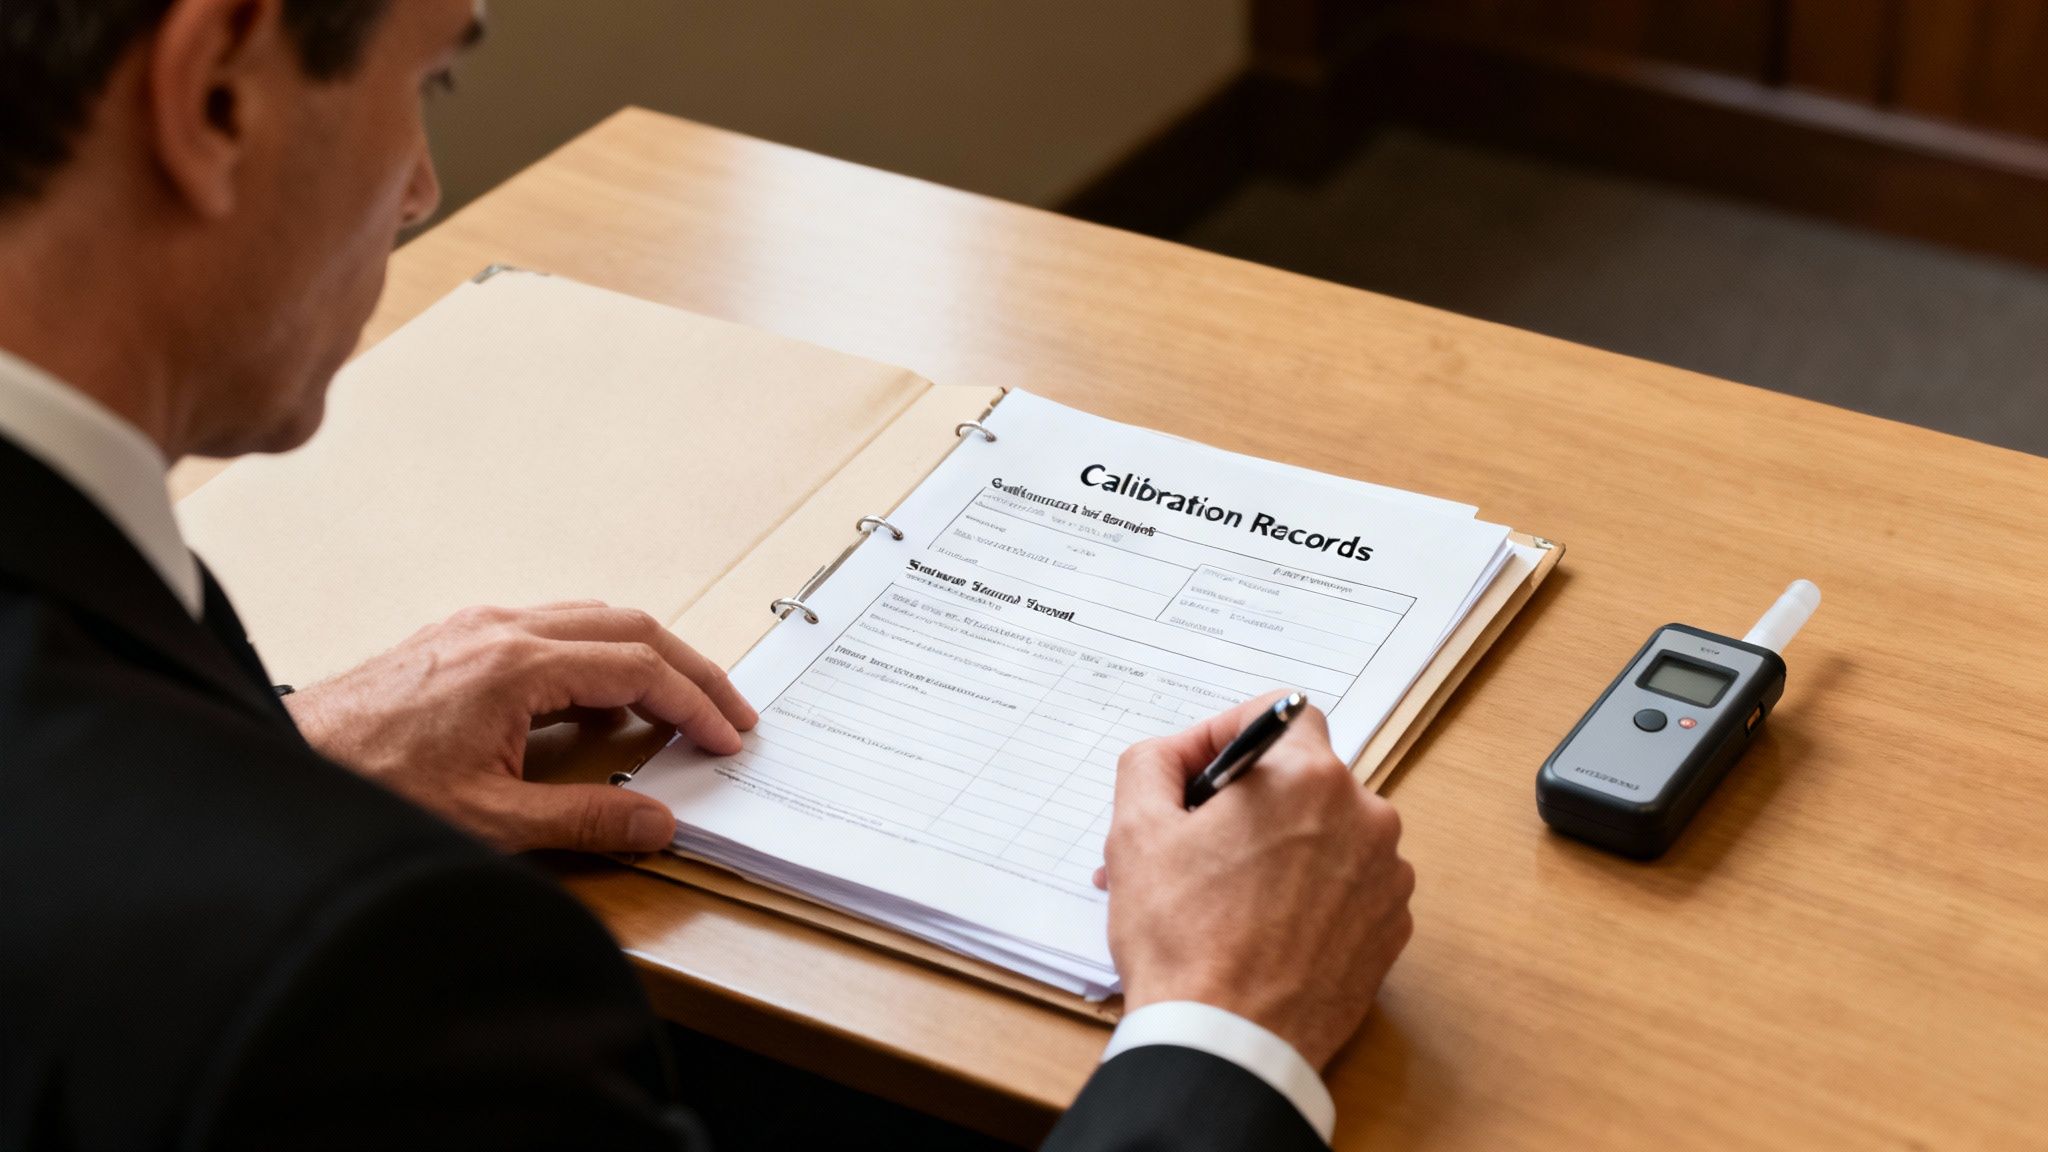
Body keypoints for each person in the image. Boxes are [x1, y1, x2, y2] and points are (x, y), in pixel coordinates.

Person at [0, 1, 1416, 1148]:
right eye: (426, 79)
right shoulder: (356, 983)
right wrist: (1229, 1025)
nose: (425, 190)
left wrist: (280, 753)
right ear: (218, 94)